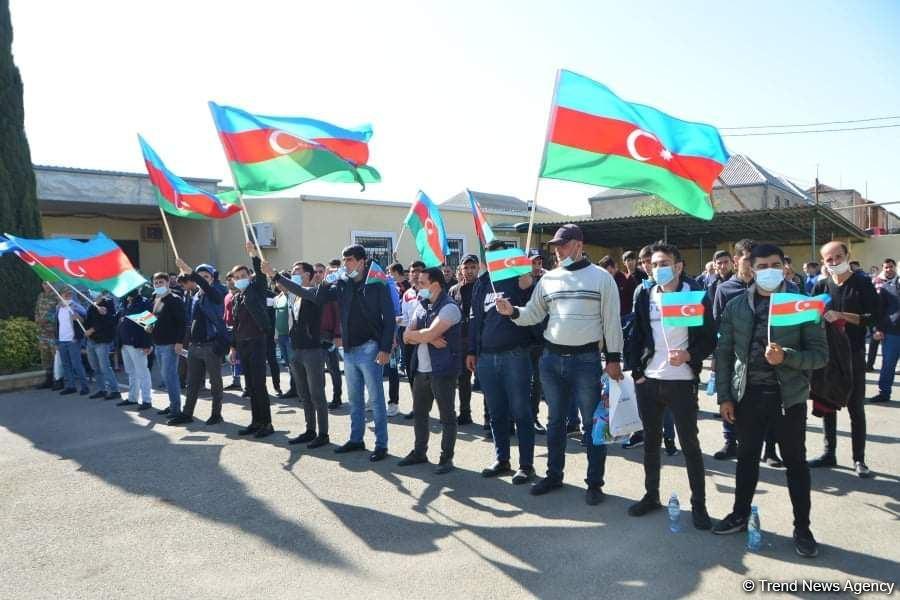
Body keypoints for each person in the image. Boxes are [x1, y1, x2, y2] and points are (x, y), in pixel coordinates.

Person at [712, 243, 827, 558]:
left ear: (785, 267)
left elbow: (819, 356)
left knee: (796, 464)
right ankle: (739, 514)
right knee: (746, 460)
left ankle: (802, 527)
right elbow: (723, 355)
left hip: (787, 399)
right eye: (761, 266)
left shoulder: (803, 305)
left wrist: (786, 357)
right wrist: (725, 396)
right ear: (750, 268)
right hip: (748, 397)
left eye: (774, 264)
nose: (768, 271)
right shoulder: (736, 306)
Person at [496, 224, 623, 504]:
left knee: (592, 425)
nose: (557, 250)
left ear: (579, 244)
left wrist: (613, 359)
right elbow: (533, 313)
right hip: (551, 360)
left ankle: (594, 483)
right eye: (555, 245)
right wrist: (513, 311)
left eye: (563, 245)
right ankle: (554, 475)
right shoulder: (549, 279)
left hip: (586, 361)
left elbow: (612, 322)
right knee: (555, 422)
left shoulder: (602, 278)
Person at [263, 245, 395, 461]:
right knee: (354, 399)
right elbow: (310, 295)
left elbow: (389, 319)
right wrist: (277, 276)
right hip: (350, 350)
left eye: (350, 260)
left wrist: (385, 348)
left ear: (362, 261)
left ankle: (381, 445)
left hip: (371, 348)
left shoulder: (377, 285)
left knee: (377, 400)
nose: (346, 264)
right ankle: (356, 439)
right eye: (344, 260)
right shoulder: (342, 285)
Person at [626, 242, 716, 528]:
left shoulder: (694, 295)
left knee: (690, 446)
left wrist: (690, 355)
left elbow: (709, 337)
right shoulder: (644, 293)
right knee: (650, 444)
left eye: (664, 264)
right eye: (654, 265)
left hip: (682, 383)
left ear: (678, 267)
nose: (658, 269)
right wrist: (637, 372)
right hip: (649, 382)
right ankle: (651, 495)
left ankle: (698, 506)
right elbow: (636, 333)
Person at [712, 239, 786, 466]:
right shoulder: (725, 289)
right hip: (738, 362)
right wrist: (718, 357)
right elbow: (717, 325)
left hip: (773, 366)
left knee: (772, 409)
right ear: (738, 261)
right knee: (732, 402)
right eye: (748, 259)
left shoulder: (780, 290)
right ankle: (730, 442)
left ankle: (771, 450)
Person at [808, 242, 879, 477]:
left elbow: (871, 318)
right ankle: (829, 453)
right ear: (823, 262)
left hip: (853, 353)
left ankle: (859, 459)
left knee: (855, 407)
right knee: (827, 404)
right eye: (829, 259)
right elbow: (810, 316)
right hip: (827, 355)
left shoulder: (862, 282)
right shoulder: (821, 285)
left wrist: (841, 316)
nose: (834, 262)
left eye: (839, 257)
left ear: (848, 256)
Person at [469, 240, 537, 483]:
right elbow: (476, 319)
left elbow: (535, 308)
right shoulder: (483, 282)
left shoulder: (520, 279)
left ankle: (526, 465)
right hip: (487, 357)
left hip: (515, 355)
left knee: (521, 412)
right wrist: (472, 351)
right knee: (496, 412)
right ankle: (502, 459)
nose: (493, 261)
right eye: (490, 256)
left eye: (499, 256)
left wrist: (529, 285)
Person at [398, 267, 461, 473]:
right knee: (420, 414)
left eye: (423, 283)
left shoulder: (449, 308)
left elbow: (420, 334)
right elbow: (406, 335)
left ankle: (446, 458)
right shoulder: (422, 305)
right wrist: (429, 337)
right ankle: (419, 452)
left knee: (446, 416)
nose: (418, 286)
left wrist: (426, 335)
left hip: (442, 370)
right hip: (421, 370)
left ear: (435, 284)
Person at [269, 262, 330, 447]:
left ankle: (323, 434)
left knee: (317, 394)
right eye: (293, 272)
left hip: (313, 351)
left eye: (298, 272)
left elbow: (301, 291)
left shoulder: (316, 292)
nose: (294, 274)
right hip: (297, 350)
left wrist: (276, 275)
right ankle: (310, 429)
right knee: (304, 393)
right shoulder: (295, 297)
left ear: (309, 275)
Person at [168, 260, 227, 426]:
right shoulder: (195, 296)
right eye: (199, 276)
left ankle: (216, 414)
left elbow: (207, 288)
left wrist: (191, 272)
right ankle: (187, 413)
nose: (202, 279)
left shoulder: (217, 292)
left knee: (215, 383)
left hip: (211, 345)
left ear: (213, 278)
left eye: (206, 276)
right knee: (192, 383)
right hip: (195, 346)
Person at [229, 243, 275, 438]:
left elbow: (260, 273)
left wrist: (253, 255)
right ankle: (256, 421)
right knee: (250, 386)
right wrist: (233, 348)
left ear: (249, 276)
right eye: (236, 277)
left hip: (257, 341)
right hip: (243, 344)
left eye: (243, 276)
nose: (240, 280)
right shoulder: (237, 298)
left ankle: (267, 423)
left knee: (259, 384)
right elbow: (235, 324)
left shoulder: (256, 289)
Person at [150, 272, 186, 418]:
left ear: (167, 283)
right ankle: (172, 404)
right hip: (158, 343)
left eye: (161, 282)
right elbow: (154, 318)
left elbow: (182, 323)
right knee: (166, 377)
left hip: (170, 345)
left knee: (170, 376)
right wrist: (148, 326)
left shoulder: (175, 300)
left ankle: (176, 409)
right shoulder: (157, 299)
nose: (158, 285)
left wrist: (179, 342)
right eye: (156, 283)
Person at [450, 254, 479, 425]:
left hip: (480, 339)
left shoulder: (484, 287)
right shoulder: (454, 290)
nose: (469, 271)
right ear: (460, 269)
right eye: (466, 268)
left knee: (484, 381)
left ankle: (489, 418)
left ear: (478, 268)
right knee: (463, 380)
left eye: (472, 267)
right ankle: (465, 413)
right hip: (460, 341)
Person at [117, 288, 154, 410]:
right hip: (125, 343)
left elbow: (149, 325)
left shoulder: (144, 303)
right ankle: (132, 398)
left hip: (137, 344)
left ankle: (147, 400)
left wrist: (147, 344)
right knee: (131, 372)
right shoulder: (124, 303)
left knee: (142, 372)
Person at [83, 289, 121, 400]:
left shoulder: (108, 302)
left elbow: (111, 321)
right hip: (91, 341)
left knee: (105, 367)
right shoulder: (91, 304)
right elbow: (88, 321)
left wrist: (105, 314)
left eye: (94, 289)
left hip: (103, 341)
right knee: (95, 367)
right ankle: (102, 389)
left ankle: (115, 390)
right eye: (90, 289)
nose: (92, 291)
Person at [870, 258, 898, 403]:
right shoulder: (887, 288)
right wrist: (877, 329)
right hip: (892, 333)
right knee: (888, 364)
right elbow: (879, 311)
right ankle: (884, 393)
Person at [400, 261, 425, 419]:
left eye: (419, 271)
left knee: (429, 376)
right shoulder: (407, 293)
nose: (415, 274)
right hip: (409, 338)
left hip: (426, 337)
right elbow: (405, 318)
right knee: (411, 373)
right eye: (412, 271)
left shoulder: (429, 291)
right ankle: (417, 406)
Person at [56, 287, 89, 395]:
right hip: (62, 340)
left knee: (76, 364)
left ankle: (85, 387)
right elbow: (57, 324)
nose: (67, 295)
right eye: (65, 294)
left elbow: (85, 319)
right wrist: (57, 340)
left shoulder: (75, 307)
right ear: (60, 295)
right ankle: (71, 386)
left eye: (69, 293)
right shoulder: (58, 308)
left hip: (73, 340)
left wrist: (79, 317)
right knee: (66, 364)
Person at [33, 282, 59, 390]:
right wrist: (37, 320)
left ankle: (58, 380)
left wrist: (47, 320)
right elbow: (36, 311)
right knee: (45, 356)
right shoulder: (41, 296)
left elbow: (58, 313)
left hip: (52, 332)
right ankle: (48, 380)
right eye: (44, 284)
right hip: (42, 332)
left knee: (55, 356)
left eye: (49, 284)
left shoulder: (56, 297)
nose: (46, 286)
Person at [222, 274, 243, 394]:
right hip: (228, 329)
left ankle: (246, 385)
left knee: (239, 357)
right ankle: (236, 382)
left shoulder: (239, 295)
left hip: (238, 330)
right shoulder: (227, 296)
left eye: (232, 279)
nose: (230, 282)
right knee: (231, 357)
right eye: (228, 279)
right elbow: (225, 313)